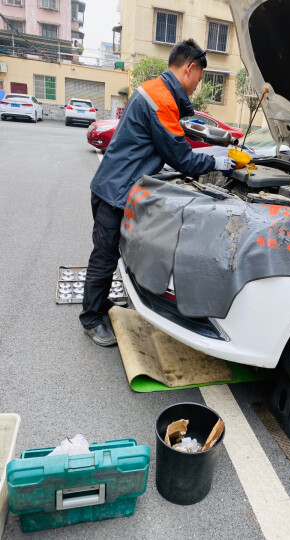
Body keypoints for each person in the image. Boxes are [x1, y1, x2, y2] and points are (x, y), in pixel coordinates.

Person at [80, 38, 236, 346]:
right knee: (104, 256)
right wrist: (216, 160)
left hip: (115, 184)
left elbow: (166, 142)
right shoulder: (161, 99)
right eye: (199, 79)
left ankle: (100, 304)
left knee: (112, 253)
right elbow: (180, 156)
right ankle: (91, 318)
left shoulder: (155, 90)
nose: (196, 87)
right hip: (116, 191)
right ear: (189, 68)